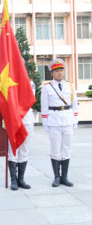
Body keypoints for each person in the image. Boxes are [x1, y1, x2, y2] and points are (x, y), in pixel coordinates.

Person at [41, 58, 78, 187]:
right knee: (55, 150)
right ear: (52, 73)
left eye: (61, 70)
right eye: (56, 71)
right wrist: (45, 123)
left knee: (66, 149)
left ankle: (65, 177)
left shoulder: (70, 86)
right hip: (54, 122)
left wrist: (75, 120)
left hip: (68, 120)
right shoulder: (47, 88)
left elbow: (74, 105)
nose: (60, 73)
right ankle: (56, 177)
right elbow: (44, 107)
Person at [0, 80, 35, 190]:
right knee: (13, 151)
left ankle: (21, 179)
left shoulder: (29, 83)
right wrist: (5, 102)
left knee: (24, 151)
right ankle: (13, 180)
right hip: (13, 123)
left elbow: (29, 100)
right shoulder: (7, 82)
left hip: (27, 121)